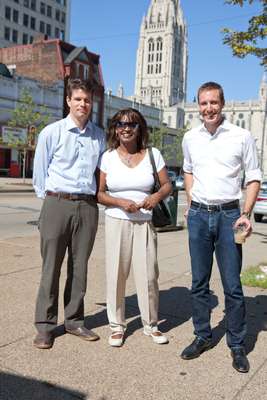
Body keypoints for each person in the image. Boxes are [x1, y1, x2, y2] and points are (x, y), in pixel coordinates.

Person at [181, 82, 261, 373]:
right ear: (198, 105)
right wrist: (191, 202)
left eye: (213, 103)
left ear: (222, 103)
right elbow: (188, 170)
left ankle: (237, 345)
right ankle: (202, 335)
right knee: (199, 283)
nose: (208, 108)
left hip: (230, 217)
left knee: (233, 285)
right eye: (203, 103)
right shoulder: (190, 137)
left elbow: (253, 177)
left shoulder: (241, 136)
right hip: (200, 216)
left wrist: (245, 213)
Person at [32, 78, 105, 349]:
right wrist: (49, 200)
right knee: (51, 267)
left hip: (87, 206)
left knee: (80, 267)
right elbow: (39, 172)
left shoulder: (99, 135)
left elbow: (102, 172)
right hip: (57, 203)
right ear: (68, 101)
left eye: (87, 100)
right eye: (78, 99)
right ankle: (45, 326)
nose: (83, 104)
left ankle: (74, 320)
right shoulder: (52, 132)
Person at [97, 108, 172, 347]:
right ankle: (117, 326)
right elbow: (99, 193)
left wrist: (155, 197)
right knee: (116, 275)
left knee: (149, 276)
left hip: (144, 223)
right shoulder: (107, 156)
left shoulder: (153, 154)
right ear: (115, 128)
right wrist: (120, 202)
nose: (126, 128)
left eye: (132, 125)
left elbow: (167, 185)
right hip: (117, 221)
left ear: (140, 129)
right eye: (121, 124)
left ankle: (151, 325)